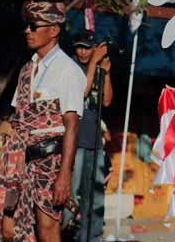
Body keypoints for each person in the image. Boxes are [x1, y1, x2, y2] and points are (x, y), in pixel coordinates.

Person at [0, 1, 86, 242]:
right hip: (19, 164)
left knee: (47, 230)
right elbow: (18, 116)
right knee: (9, 231)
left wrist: (64, 175)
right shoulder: (27, 69)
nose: (27, 31)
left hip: (50, 164)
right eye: (27, 26)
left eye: (34, 26)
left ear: (54, 30)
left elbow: (72, 125)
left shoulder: (68, 70)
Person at [64, 30, 113, 242]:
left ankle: (92, 236)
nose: (82, 52)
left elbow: (107, 101)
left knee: (95, 195)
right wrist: (92, 64)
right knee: (71, 192)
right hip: (76, 141)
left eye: (87, 48)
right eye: (79, 47)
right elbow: (80, 92)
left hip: (95, 142)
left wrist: (107, 73)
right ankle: (64, 232)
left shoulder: (99, 69)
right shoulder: (71, 68)